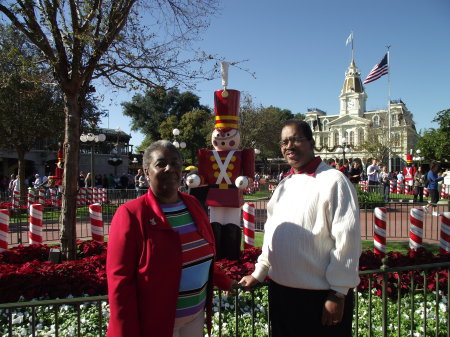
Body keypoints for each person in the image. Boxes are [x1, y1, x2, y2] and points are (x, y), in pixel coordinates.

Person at [239, 120, 361, 337]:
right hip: (282, 295)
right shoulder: (284, 184)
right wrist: (259, 273)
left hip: (320, 298)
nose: (289, 146)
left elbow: (347, 242)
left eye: (296, 139)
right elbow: (271, 234)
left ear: (311, 143)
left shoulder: (334, 181)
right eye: (284, 142)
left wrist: (338, 293)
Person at [106, 140, 234, 337]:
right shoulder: (131, 214)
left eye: (175, 163)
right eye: (161, 164)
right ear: (147, 172)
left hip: (196, 315)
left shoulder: (193, 204)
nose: (170, 169)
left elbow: (199, 254)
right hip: (157, 322)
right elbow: (120, 283)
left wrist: (225, 281)